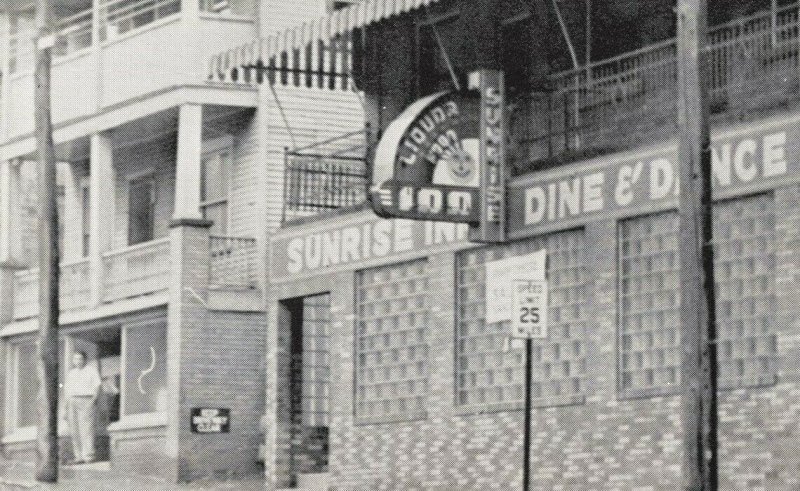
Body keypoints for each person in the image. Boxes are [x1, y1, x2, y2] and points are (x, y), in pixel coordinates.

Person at [64, 351, 101, 464]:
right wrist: (66, 405)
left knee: (86, 428)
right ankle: (78, 456)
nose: (78, 361)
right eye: (75, 359)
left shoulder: (91, 370)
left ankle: (88, 456)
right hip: (72, 400)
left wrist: (93, 400)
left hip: (86, 399)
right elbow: (67, 389)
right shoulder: (71, 373)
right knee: (74, 429)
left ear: (85, 360)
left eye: (80, 359)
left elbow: (97, 386)